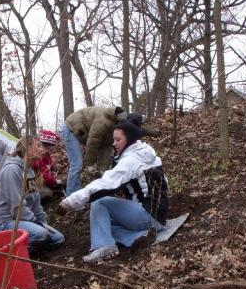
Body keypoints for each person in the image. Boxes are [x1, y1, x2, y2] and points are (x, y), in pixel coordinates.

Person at [59, 120, 168, 264]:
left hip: (147, 215)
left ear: (129, 139)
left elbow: (105, 184)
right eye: (113, 139)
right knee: (102, 224)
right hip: (159, 216)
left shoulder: (130, 160)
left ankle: (104, 247)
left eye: (118, 139)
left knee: (99, 203)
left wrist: (72, 201)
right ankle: (140, 236)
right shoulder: (147, 154)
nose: (114, 144)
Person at [0, 135, 65, 254]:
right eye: (38, 146)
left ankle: (32, 246)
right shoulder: (11, 171)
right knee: (41, 235)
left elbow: (36, 204)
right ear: (27, 148)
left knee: (58, 239)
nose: (42, 149)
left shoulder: (29, 171)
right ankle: (10, 253)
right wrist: (37, 224)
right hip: (6, 223)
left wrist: (43, 222)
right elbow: (17, 207)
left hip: (25, 221)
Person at [61, 106, 127, 196]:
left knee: (79, 165)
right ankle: (70, 195)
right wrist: (89, 164)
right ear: (117, 120)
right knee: (77, 164)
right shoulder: (103, 120)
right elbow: (93, 141)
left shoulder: (114, 128)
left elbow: (106, 147)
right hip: (71, 128)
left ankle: (77, 192)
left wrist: (101, 170)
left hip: (82, 131)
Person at [31, 129, 65, 203]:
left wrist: (53, 170)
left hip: (42, 182)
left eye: (51, 149)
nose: (50, 151)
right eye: (48, 148)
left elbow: (49, 168)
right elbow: (44, 173)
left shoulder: (47, 156)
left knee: (60, 185)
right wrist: (55, 182)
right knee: (47, 194)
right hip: (32, 185)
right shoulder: (36, 157)